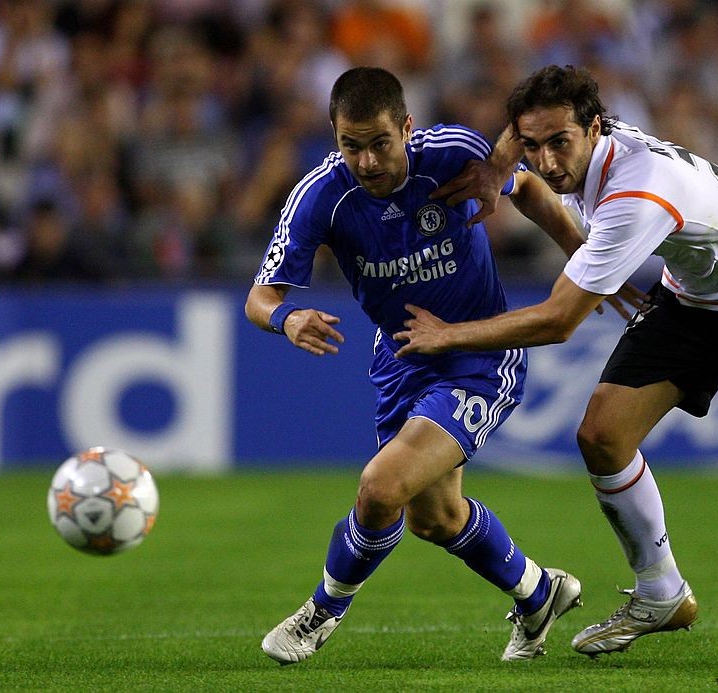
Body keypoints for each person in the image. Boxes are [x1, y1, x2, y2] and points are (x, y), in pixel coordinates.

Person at [394, 65, 718, 671]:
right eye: (531, 145)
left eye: (558, 143)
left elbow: (559, 322)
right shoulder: (585, 144)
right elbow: (524, 142)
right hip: (696, 300)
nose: (544, 160)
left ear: (595, 128)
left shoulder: (636, 192)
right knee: (601, 435)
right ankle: (661, 592)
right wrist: (496, 167)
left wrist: (447, 336)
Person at [245, 66, 596, 665]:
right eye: (349, 146)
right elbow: (260, 297)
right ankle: (540, 592)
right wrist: (288, 319)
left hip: (479, 358)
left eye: (380, 143)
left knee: (380, 486)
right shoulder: (321, 196)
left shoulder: (452, 156)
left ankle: (321, 612)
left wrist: (590, 259)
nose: (366, 161)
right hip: (402, 357)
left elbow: (529, 188)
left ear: (406, 127)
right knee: (435, 519)